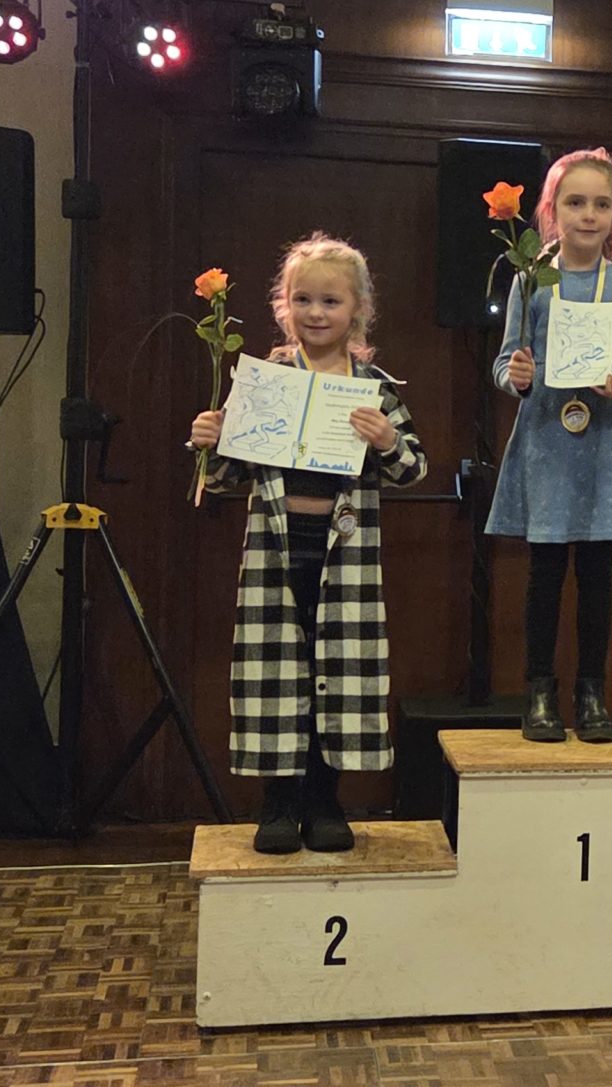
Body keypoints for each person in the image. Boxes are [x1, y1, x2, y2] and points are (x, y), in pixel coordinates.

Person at [191, 233, 427, 855]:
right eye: (303, 300)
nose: (316, 313)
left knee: (338, 675)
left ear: (358, 310)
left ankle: (325, 801)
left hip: (344, 556)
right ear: (284, 306)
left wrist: (386, 442)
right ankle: (278, 804)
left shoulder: (375, 387)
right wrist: (211, 441)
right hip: (276, 552)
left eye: (331, 301)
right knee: (278, 673)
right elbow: (225, 480)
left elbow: (413, 469)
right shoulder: (264, 382)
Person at [486, 148, 612, 744]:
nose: (589, 215)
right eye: (576, 202)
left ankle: (592, 693)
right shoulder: (530, 279)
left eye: (601, 204)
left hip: (605, 448)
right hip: (547, 451)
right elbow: (505, 362)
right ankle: (539, 693)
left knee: (598, 577)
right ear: (551, 211)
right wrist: (517, 377)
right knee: (544, 575)